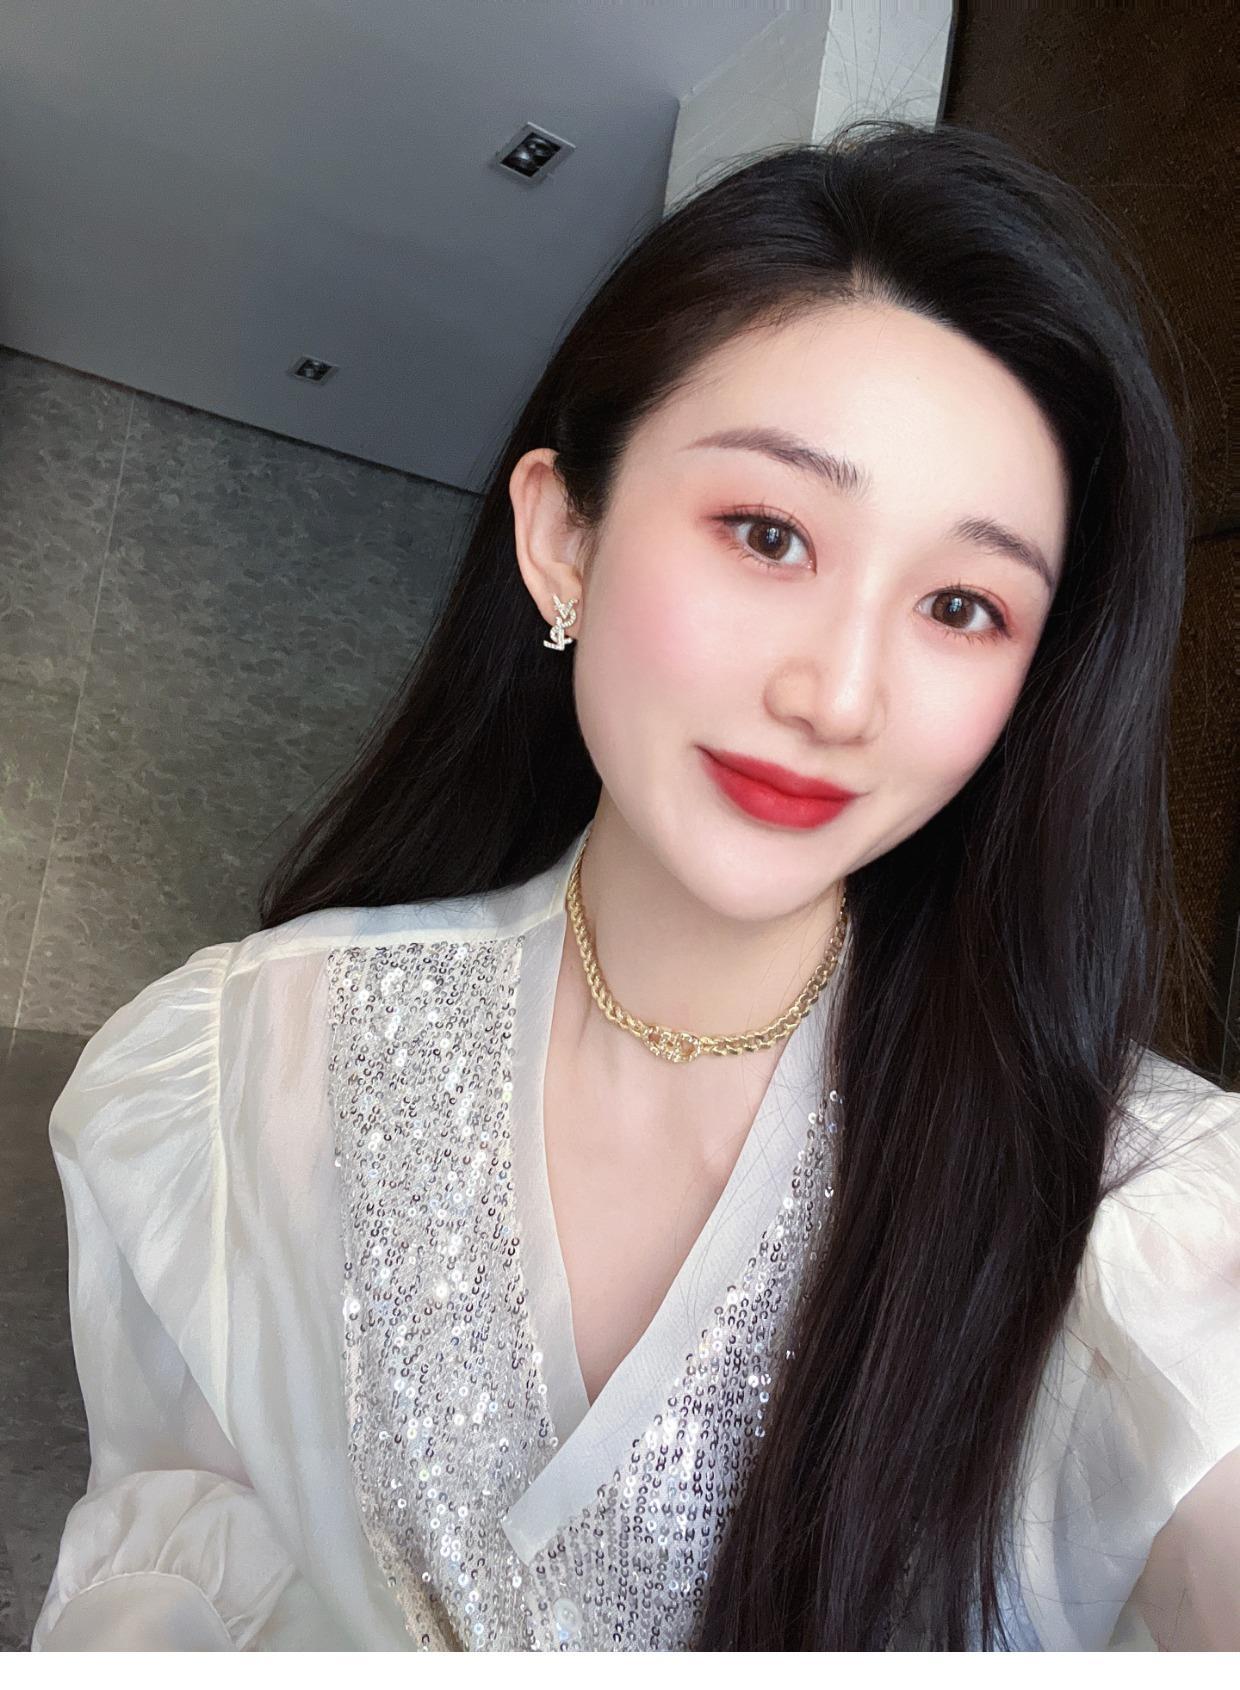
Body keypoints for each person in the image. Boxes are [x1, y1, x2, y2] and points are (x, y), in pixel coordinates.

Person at [31, 118, 1239, 1652]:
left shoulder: (1136, 1211)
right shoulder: (236, 1068)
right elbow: (174, 1573)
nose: (839, 693)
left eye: (960, 605)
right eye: (768, 532)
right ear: (564, 538)